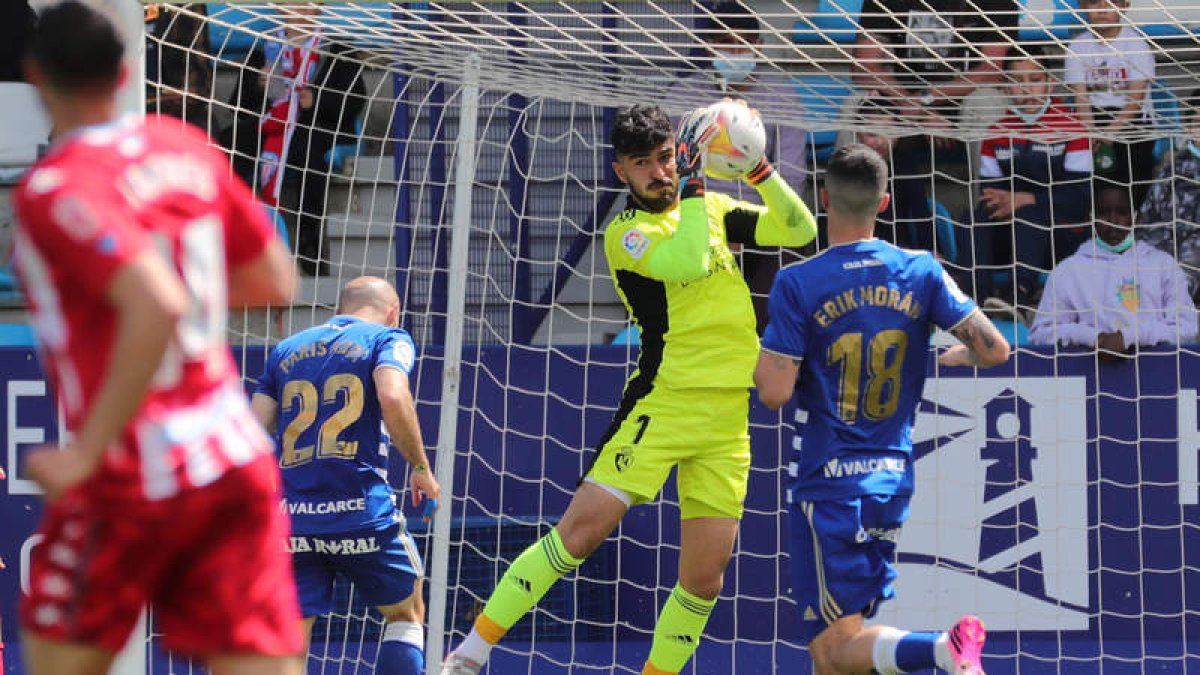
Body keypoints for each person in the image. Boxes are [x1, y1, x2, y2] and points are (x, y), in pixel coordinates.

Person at [440, 102, 818, 674]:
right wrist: (695, 181)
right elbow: (690, 260)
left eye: (666, 157)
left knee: (705, 579)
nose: (659, 171)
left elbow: (801, 229)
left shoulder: (713, 207)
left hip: (725, 419)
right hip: (661, 405)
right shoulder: (628, 234)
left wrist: (759, 169)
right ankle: (470, 654)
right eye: (643, 164)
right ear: (622, 172)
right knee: (578, 536)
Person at [12, 4, 301, 675]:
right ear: (123, 72)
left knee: (58, 659)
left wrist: (82, 454)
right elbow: (276, 281)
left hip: (129, 471)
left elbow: (156, 302)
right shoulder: (182, 146)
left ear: (35, 78)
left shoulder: (55, 187)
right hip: (229, 458)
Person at [753, 145, 1010, 675]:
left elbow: (774, 392)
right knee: (843, 647)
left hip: (828, 486)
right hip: (892, 480)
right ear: (885, 202)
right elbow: (994, 349)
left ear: (823, 199)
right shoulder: (920, 270)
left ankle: (943, 649)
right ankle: (940, 650)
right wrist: (958, 355)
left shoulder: (799, 282)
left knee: (832, 650)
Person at [251, 276, 441, 675]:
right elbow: (392, 394)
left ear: (339, 307)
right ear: (393, 312)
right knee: (406, 613)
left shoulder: (285, 350)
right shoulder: (388, 338)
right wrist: (421, 468)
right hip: (361, 511)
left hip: (293, 518)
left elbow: (253, 429)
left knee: (289, 636)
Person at [669, 1, 809, 333]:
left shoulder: (783, 98)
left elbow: (793, 178)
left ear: (758, 46)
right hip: (701, 225)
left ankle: (769, 352)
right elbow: (671, 176)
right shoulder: (681, 98)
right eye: (725, 43)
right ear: (709, 46)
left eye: (743, 43)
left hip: (763, 227)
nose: (735, 51)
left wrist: (744, 229)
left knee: (790, 253)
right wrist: (717, 227)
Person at [970, 45, 1093, 318]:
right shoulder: (996, 132)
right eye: (1017, 81)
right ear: (1006, 88)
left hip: (1062, 237)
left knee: (1030, 213)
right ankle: (977, 299)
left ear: (1050, 82)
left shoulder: (1072, 129)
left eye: (1035, 80)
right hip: (1011, 234)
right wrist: (1009, 202)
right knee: (975, 216)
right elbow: (990, 194)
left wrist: (1027, 199)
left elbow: (1080, 199)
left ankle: (1019, 297)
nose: (1026, 89)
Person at [1029, 186, 1198, 352]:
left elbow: (1187, 328)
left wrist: (1129, 337)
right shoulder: (1067, 270)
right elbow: (1041, 334)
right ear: (1092, 219)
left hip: (1155, 374)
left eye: (1122, 212)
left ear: (1136, 218)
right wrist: (1094, 338)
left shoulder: (1164, 265)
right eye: (1103, 212)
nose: (1112, 220)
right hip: (1088, 375)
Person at [1064, 0, 1157, 205]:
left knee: (1133, 171)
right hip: (1094, 118)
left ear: (1125, 6)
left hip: (1131, 120)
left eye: (1111, 2)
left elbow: (1135, 100)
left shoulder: (1135, 44)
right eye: (1094, 2)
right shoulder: (1078, 46)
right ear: (1083, 6)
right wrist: (1092, 134)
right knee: (1087, 172)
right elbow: (1081, 98)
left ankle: (1134, 212)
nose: (1102, 9)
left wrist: (1108, 135)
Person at [1137, 89, 1200, 298]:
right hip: (1164, 239)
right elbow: (1148, 216)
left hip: (1195, 247)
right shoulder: (1173, 167)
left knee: (1180, 281)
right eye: (1197, 121)